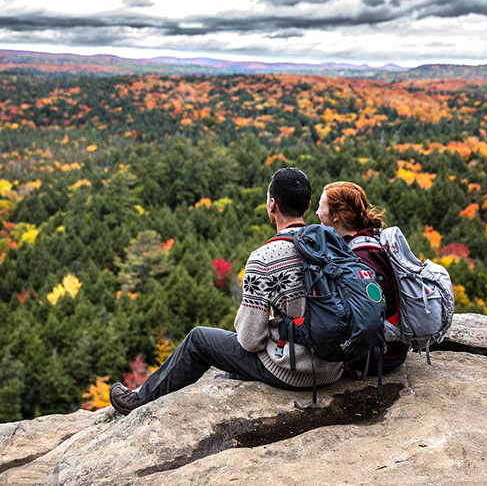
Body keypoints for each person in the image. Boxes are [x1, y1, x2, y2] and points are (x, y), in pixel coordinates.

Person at [110, 168, 343, 416]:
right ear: (308, 205)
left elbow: (250, 340)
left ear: (272, 205)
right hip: (334, 365)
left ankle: (139, 400)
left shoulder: (264, 258)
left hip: (294, 372)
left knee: (198, 339)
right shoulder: (331, 244)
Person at [316, 181, 408, 376]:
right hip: (394, 349)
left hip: (379, 358)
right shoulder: (372, 240)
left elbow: (365, 319)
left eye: (320, 207)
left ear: (335, 216)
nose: (316, 213)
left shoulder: (360, 258)